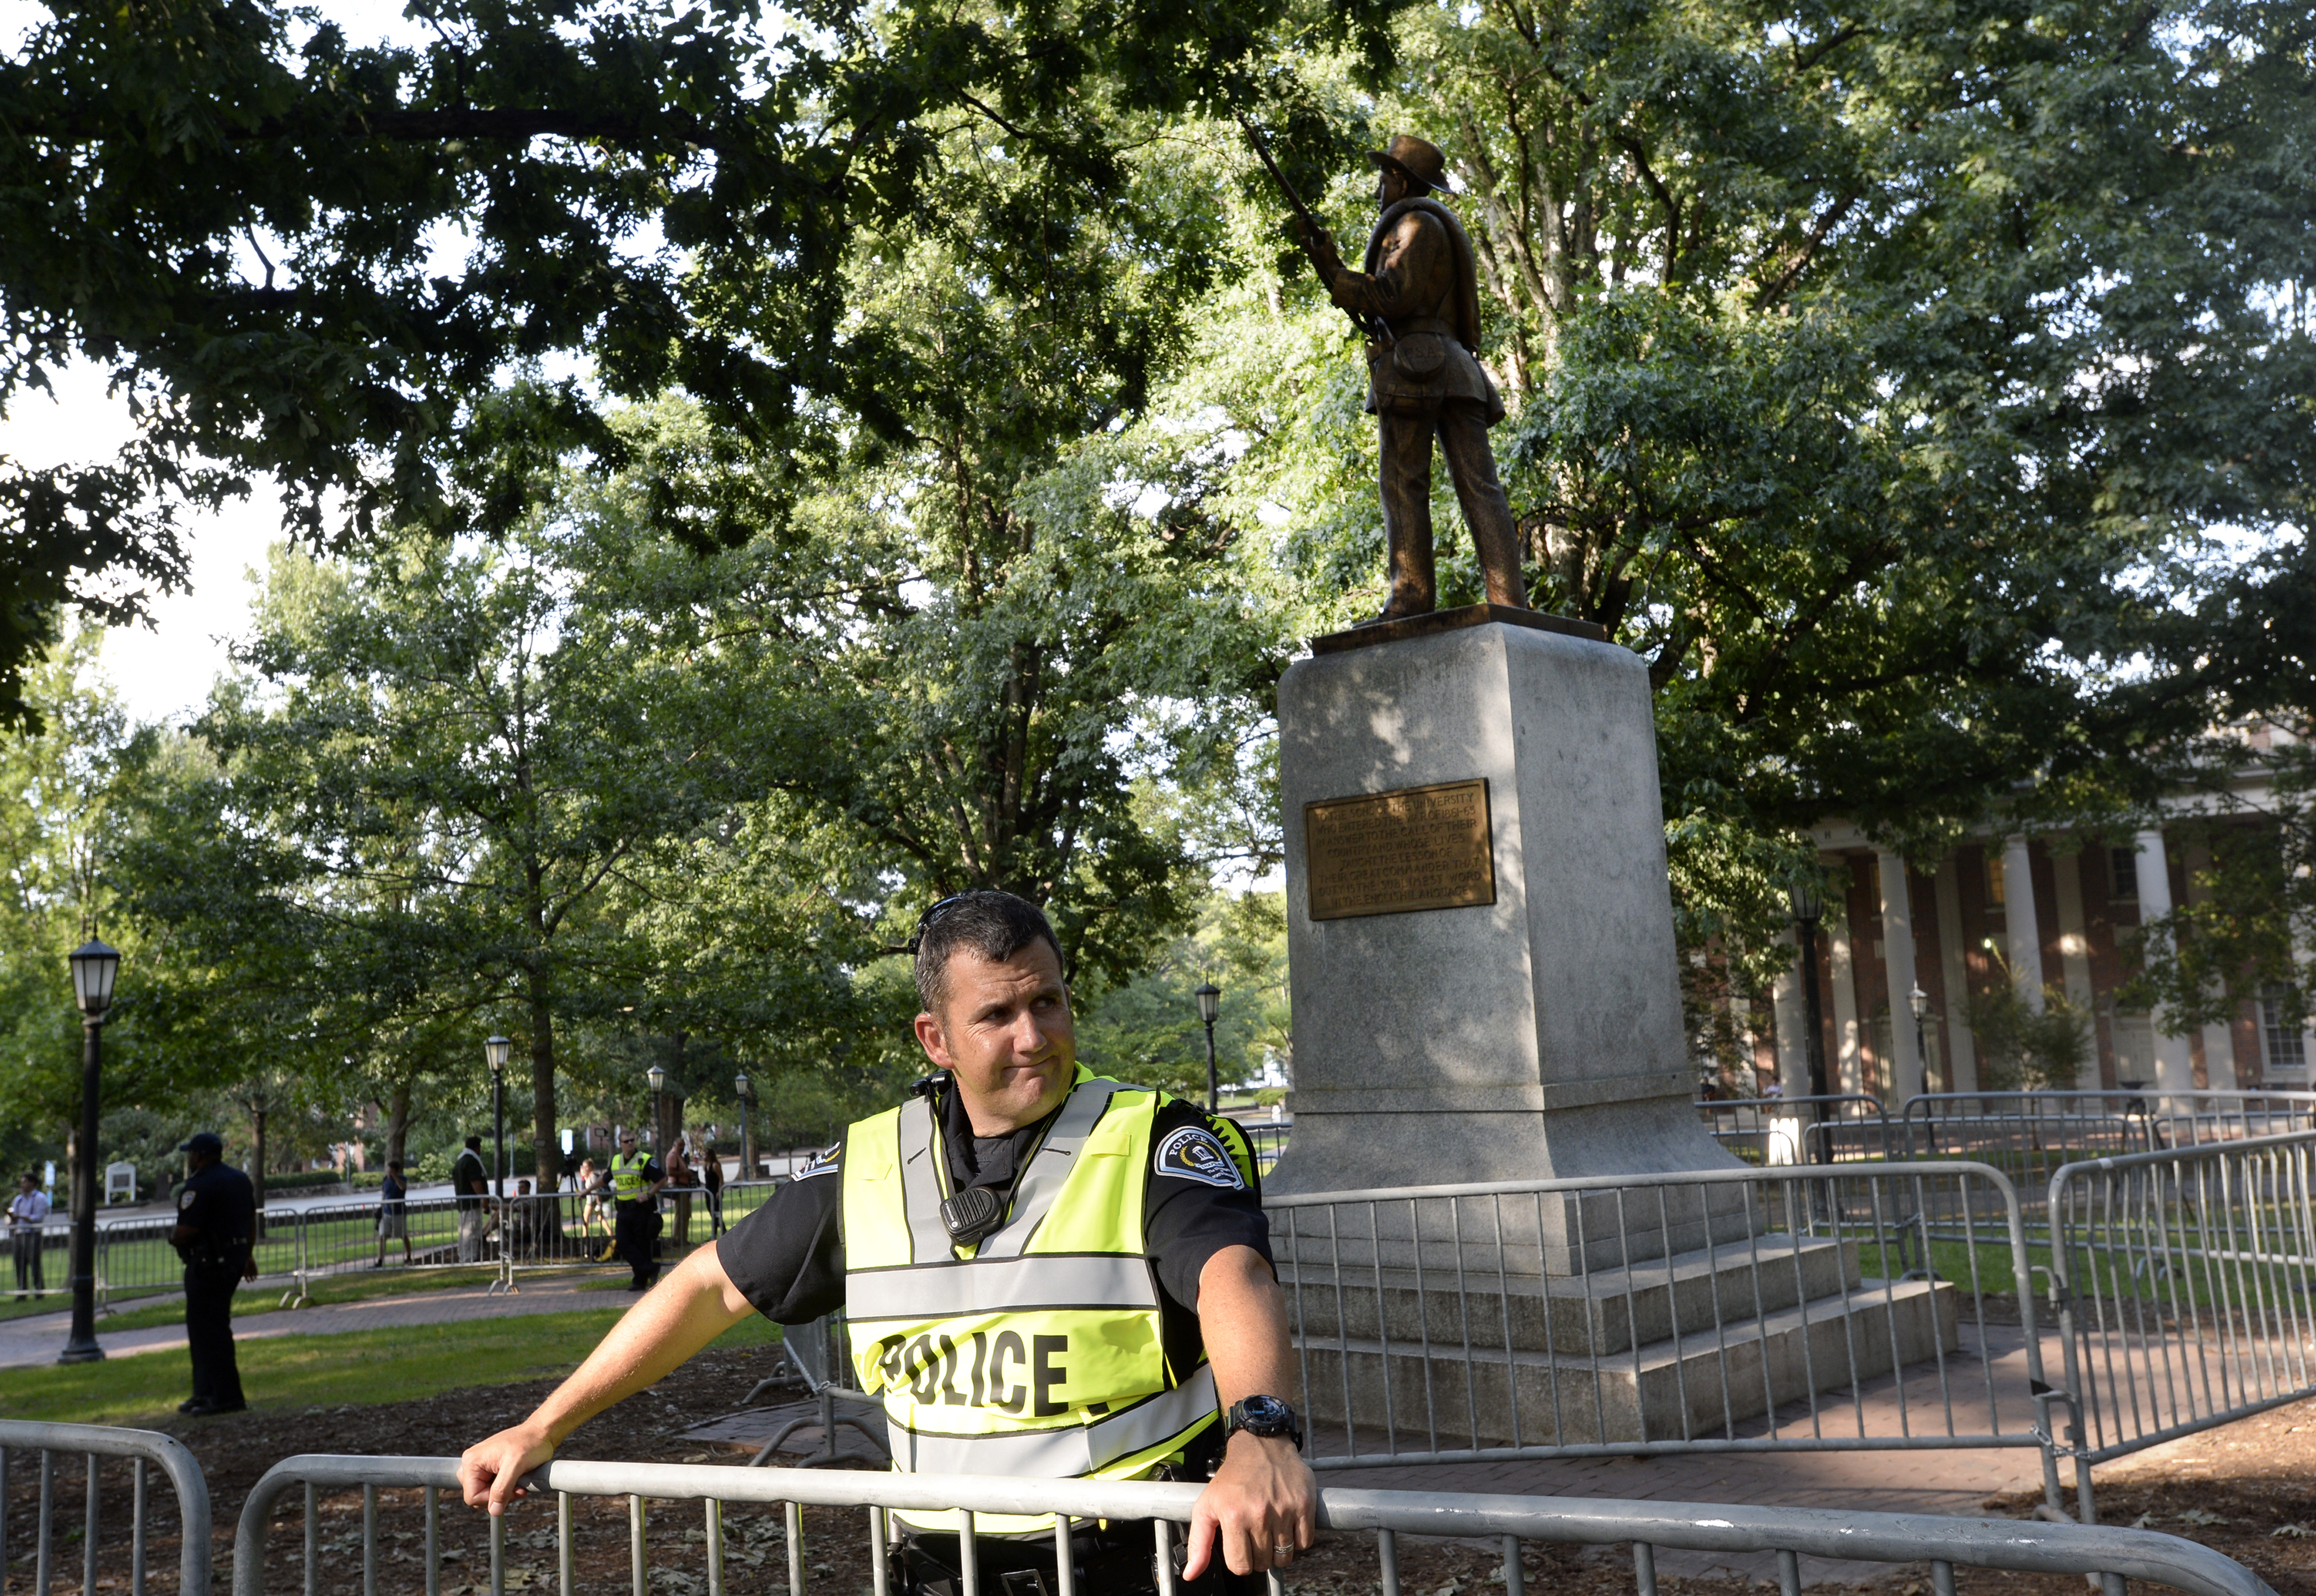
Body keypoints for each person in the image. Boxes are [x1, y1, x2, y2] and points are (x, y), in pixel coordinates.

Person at [458, 890, 1315, 1594]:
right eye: (999, 1013)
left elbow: (1231, 1275)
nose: (1034, 1034)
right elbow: (709, 1286)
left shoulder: (1154, 1136)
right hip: (940, 1571)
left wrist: (1262, 1436)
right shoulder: (870, 1161)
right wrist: (543, 1423)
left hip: (1142, 1565)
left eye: (1048, 1000)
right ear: (934, 1038)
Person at [1291, 135, 1530, 624]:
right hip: (1454, 369)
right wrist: (1329, 266)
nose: (1379, 190)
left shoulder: (1415, 224)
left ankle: (1411, 599)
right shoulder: (1426, 223)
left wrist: (1336, 272)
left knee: (1405, 482)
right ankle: (1508, 600)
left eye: (1384, 179)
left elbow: (1394, 295)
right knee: (1479, 485)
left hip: (1419, 370)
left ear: (1400, 179)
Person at [170, 1132, 256, 1415]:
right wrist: (247, 1255)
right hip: (233, 1259)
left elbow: (188, 1230)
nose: (190, 1160)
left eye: (191, 1154)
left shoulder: (199, 1185)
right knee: (208, 1326)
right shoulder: (240, 1180)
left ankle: (225, 1395)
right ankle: (204, 1392)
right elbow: (250, 1221)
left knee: (209, 1330)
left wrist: (173, 1238)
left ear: (199, 1155)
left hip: (207, 1263)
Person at [604, 1131, 664, 1290]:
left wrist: (649, 1195)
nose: (630, 1143)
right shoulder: (616, 1161)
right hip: (623, 1210)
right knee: (623, 1243)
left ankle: (640, 1280)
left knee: (641, 1244)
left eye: (632, 1140)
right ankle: (650, 1268)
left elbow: (661, 1179)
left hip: (641, 1210)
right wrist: (587, 1190)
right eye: (626, 1141)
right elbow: (604, 1179)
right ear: (621, 1144)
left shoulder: (644, 1159)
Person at [9, 1171, 51, 1298]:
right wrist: (12, 1219)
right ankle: (22, 1292)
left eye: (25, 1182)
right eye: (22, 1182)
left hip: (33, 1234)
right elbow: (14, 1216)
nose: (22, 1184)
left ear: (32, 1183)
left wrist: (21, 1216)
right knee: (19, 1263)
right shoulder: (18, 1200)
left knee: (34, 1263)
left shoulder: (40, 1198)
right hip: (19, 1234)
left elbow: (38, 1217)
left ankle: (39, 1292)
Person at [453, 1136, 491, 1262]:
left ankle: (464, 1257)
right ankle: (469, 1258)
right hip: (472, 1203)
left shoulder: (460, 1161)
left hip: (463, 1203)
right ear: (477, 1148)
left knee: (464, 1233)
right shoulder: (471, 1161)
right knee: (472, 1232)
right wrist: (484, 1200)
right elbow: (476, 1182)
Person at [374, 1159, 412, 1267]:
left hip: (399, 1212)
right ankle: (380, 1261)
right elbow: (384, 1194)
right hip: (387, 1212)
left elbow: (403, 1187)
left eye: (390, 1170)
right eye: (387, 1170)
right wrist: (380, 1208)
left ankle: (408, 1257)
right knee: (382, 1236)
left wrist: (395, 1177)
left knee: (403, 1235)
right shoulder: (385, 1180)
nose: (388, 1172)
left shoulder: (402, 1178)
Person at [701, 1134, 726, 1237]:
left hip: (715, 1191)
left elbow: (721, 1179)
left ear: (710, 1156)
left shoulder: (715, 1165)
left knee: (717, 1214)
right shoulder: (706, 1167)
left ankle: (721, 1232)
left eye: (705, 1155)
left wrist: (719, 1192)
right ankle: (716, 1233)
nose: (703, 1157)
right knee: (712, 1213)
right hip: (708, 1192)